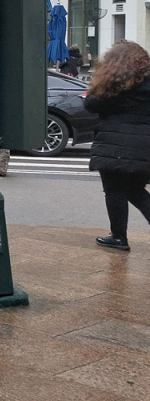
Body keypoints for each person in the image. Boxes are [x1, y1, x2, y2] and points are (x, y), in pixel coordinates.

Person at [83, 40, 150, 251]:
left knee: (114, 191)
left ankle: (119, 237)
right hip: (144, 146)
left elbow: (90, 104)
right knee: (135, 190)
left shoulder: (115, 85)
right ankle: (118, 236)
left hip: (114, 145)